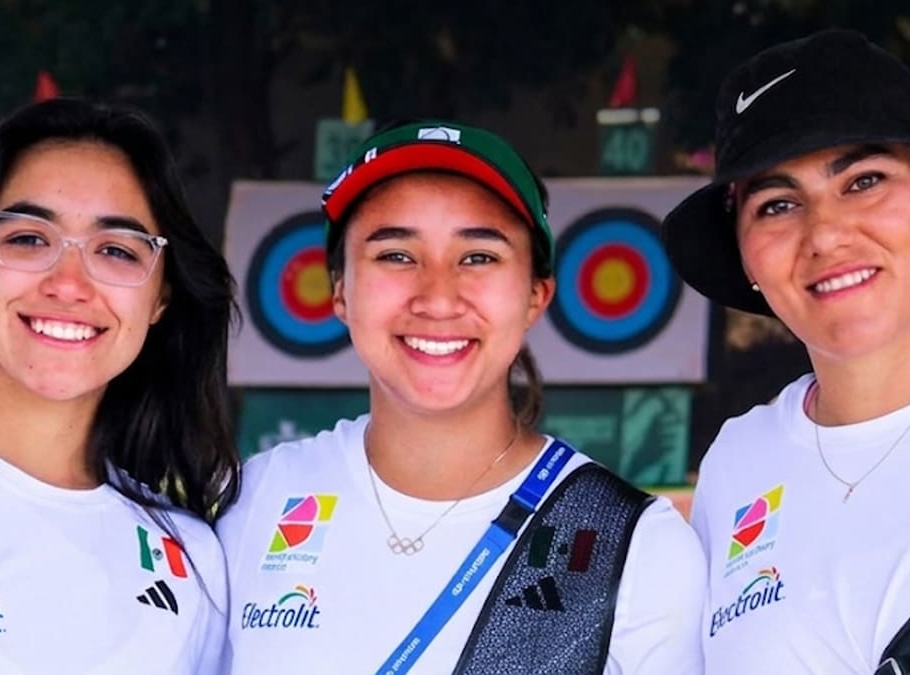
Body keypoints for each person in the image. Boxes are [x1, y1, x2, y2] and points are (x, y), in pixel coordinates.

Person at [218, 121, 705, 673]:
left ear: (535, 296)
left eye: (479, 257)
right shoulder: (251, 504)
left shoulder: (635, 546)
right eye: (396, 255)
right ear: (340, 293)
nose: (438, 297)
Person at [662, 29, 910, 675]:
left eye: (865, 180)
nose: (826, 234)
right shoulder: (739, 459)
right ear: (745, 255)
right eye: (778, 204)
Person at [0, 98, 240, 673]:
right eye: (29, 239)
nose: (68, 283)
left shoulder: (195, 561)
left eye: (116, 250)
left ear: (160, 298)